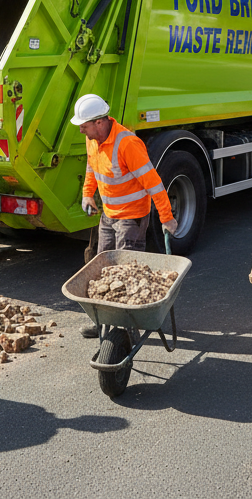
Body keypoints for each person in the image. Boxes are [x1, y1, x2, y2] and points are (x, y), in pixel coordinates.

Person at [71, 94, 178, 339]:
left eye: (84, 125)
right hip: (108, 216)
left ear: (99, 122)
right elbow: (91, 167)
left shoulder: (128, 144)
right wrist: (88, 194)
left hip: (131, 219)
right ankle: (102, 321)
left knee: (126, 273)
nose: (80, 130)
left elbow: (154, 184)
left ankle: (127, 328)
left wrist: (166, 217)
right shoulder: (93, 139)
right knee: (101, 271)